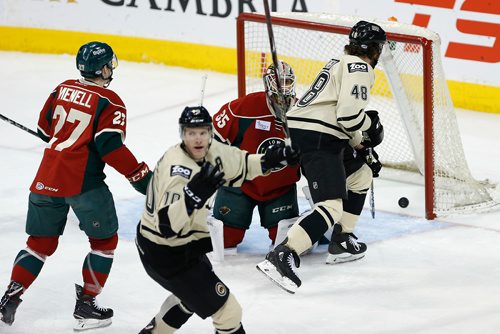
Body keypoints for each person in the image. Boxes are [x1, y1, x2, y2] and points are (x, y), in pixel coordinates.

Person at [0, 41, 152, 330]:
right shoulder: (111, 102)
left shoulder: (61, 88)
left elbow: (46, 130)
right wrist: (142, 178)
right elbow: (110, 148)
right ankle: (86, 307)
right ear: (104, 67)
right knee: (104, 242)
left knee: (38, 244)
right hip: (84, 183)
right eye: (110, 64)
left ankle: (9, 300)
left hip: (46, 178)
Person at [136, 105, 299, 334]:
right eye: (191, 133)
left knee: (190, 298)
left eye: (203, 132)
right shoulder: (178, 170)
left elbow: (242, 164)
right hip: (165, 251)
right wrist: (191, 198)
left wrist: (276, 158)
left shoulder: (213, 151)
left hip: (184, 246)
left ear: (211, 133)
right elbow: (167, 226)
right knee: (228, 312)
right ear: (182, 134)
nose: (198, 138)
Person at [256, 20, 386, 293]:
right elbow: (349, 117)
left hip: (312, 131)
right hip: (319, 138)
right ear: (374, 50)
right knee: (331, 205)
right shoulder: (360, 67)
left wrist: (362, 147)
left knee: (360, 174)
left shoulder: (338, 61)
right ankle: (284, 254)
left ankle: (341, 240)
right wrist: (369, 128)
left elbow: (338, 117)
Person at [211, 60, 301, 249]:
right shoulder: (243, 109)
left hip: (280, 188)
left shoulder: (303, 113)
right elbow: (213, 140)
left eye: (287, 82)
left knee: (286, 242)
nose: (283, 88)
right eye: (279, 82)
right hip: (241, 183)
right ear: (268, 84)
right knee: (225, 240)